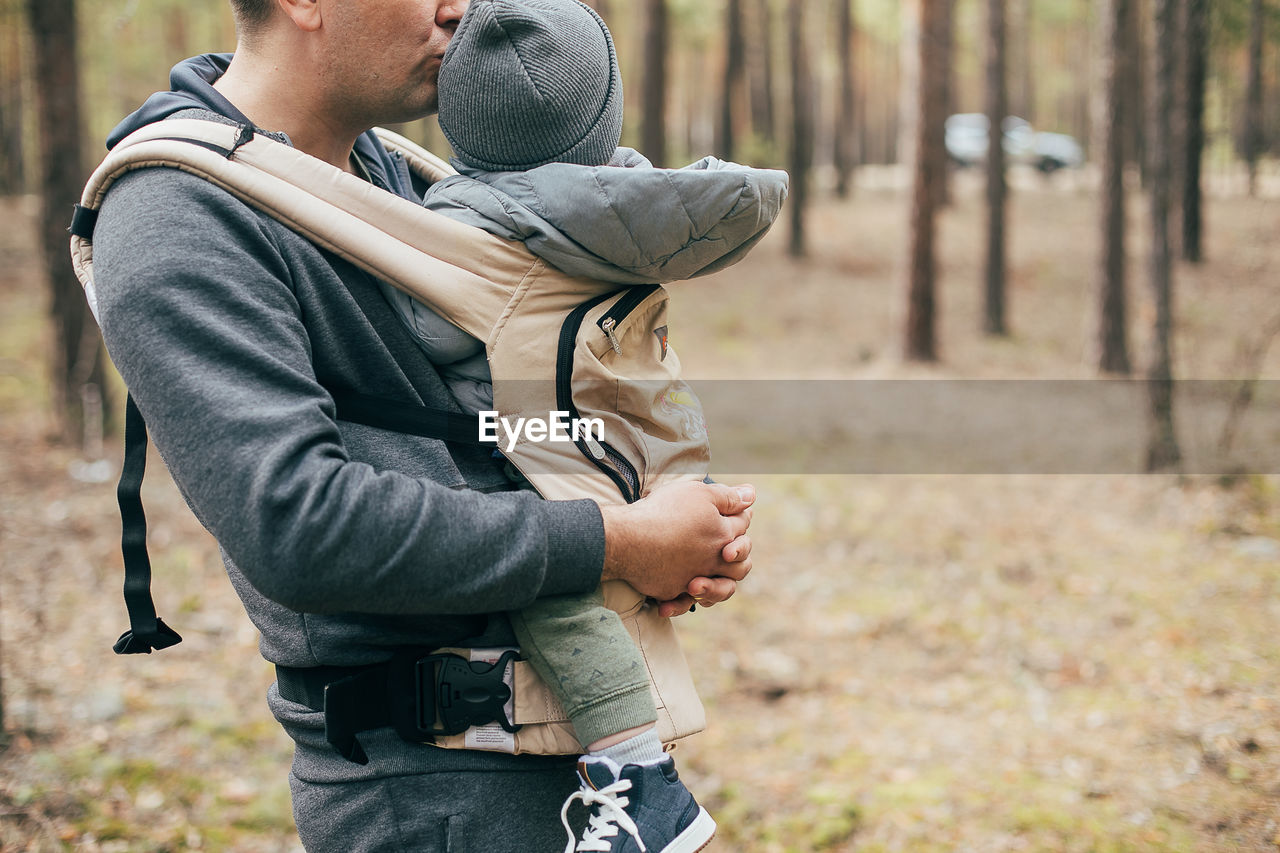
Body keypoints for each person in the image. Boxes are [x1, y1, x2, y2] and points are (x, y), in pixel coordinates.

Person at [87, 0, 755, 850]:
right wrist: (615, 539)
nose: (461, 8)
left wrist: (661, 511)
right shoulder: (178, 213)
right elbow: (299, 524)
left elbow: (476, 431)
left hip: (575, 773)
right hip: (431, 800)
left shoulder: (394, 176)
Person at [368, 2, 786, 851]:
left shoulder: (473, 221)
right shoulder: (628, 200)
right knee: (634, 569)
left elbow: (434, 334)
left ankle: (640, 777)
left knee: (552, 591)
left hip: (541, 441)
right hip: (645, 433)